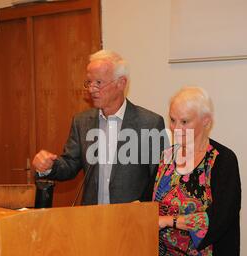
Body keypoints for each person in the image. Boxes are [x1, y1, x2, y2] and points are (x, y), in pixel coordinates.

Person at [32, 50, 167, 205]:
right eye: (89, 82)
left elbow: (160, 179)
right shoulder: (82, 122)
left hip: (132, 220)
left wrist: (144, 207)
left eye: (99, 83)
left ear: (121, 83)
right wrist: (49, 166)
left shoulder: (150, 123)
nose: (91, 89)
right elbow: (69, 164)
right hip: (92, 219)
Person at [153, 87, 241, 256]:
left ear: (206, 121)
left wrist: (168, 221)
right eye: (172, 120)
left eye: (184, 122)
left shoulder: (223, 160)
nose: (175, 128)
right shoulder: (166, 156)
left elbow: (219, 219)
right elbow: (149, 202)